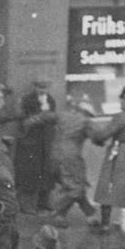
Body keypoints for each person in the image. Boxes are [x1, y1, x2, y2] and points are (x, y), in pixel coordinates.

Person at [90, 86, 125, 233]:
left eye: (122, 99)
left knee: (107, 185)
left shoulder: (120, 117)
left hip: (120, 152)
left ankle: (105, 224)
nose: (121, 102)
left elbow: (103, 135)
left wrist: (95, 137)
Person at [48, 96, 97, 228]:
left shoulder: (63, 115)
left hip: (54, 154)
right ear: (86, 113)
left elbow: (45, 117)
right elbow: (97, 137)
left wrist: (30, 120)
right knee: (77, 186)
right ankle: (57, 210)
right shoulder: (85, 122)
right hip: (71, 157)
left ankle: (89, 214)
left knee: (71, 184)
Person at [15, 79, 57, 215]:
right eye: (40, 87)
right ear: (35, 87)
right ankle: (27, 204)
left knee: (46, 171)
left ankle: (43, 202)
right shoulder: (27, 100)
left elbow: (52, 118)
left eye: (45, 87)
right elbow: (23, 119)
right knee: (30, 173)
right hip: (30, 141)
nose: (42, 90)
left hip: (45, 141)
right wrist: (40, 117)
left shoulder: (50, 100)